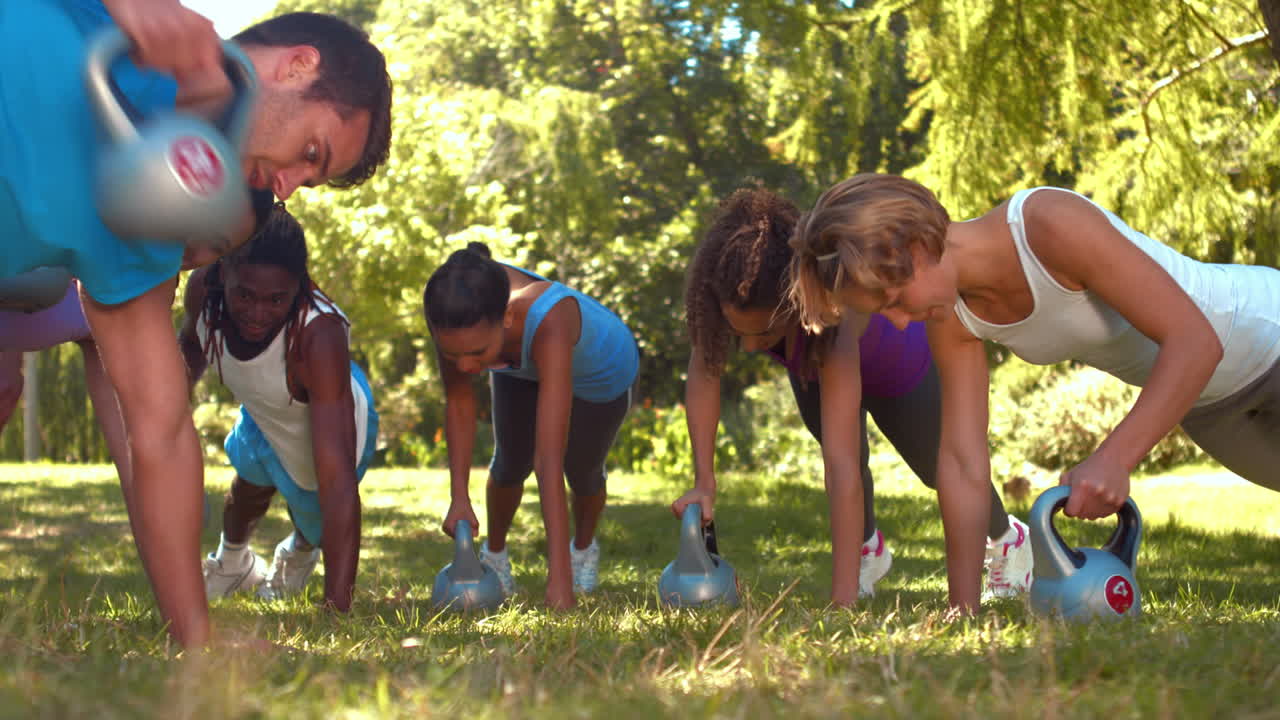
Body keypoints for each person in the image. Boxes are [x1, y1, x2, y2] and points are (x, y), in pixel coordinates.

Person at [0, 0, 393, 645]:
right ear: (297, 66)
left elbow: (162, 433)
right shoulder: (115, 23)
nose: (289, 187)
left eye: (309, 179)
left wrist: (198, 642)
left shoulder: (151, 220)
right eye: (311, 153)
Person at [788, 172, 1280, 612]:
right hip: (1209, 405)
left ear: (918, 248)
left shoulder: (1046, 223)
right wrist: (963, 610)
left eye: (894, 301)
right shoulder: (955, 318)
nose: (896, 322)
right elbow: (961, 463)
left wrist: (1113, 458)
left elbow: (1195, 342)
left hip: (1264, 329)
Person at [674, 188, 1031, 607]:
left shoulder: (834, 318)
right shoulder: (730, 301)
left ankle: (1006, 537)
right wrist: (704, 480)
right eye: (741, 335)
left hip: (900, 366)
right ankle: (868, 549)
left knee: (937, 466)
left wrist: (840, 605)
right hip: (811, 362)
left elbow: (838, 472)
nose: (751, 348)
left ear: (797, 303)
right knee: (841, 448)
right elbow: (704, 375)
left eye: (764, 335)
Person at [179, 208, 378, 613]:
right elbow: (188, 352)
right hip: (264, 408)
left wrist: (337, 608)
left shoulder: (318, 335)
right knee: (248, 483)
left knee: (315, 510)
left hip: (333, 419)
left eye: (276, 300)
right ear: (223, 274)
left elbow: (338, 483)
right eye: (245, 295)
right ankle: (233, 563)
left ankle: (299, 551)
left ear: (298, 287)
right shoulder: (203, 289)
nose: (257, 312)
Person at [424, 243, 639, 609]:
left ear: (506, 317)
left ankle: (581, 551)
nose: (464, 367)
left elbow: (548, 460)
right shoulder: (452, 310)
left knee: (581, 471)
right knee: (509, 462)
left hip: (600, 372)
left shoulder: (550, 316)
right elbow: (459, 401)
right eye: (452, 355)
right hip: (516, 359)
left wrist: (559, 584)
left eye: (475, 354)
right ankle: (495, 555)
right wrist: (458, 497)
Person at [0, 283, 131, 483]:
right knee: (5, 387)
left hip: (97, 278)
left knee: (137, 449)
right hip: (18, 274)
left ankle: (149, 510)